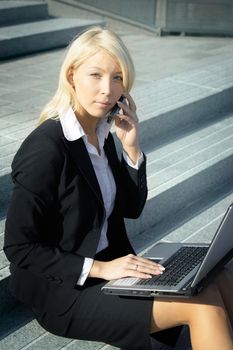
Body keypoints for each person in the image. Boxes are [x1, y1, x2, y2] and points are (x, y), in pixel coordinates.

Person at [4, 26, 233, 350]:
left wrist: (132, 148)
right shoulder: (46, 148)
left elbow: (131, 208)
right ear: (71, 76)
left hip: (114, 268)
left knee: (217, 277)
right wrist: (101, 267)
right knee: (204, 303)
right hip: (66, 292)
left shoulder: (102, 134)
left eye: (117, 78)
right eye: (95, 75)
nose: (107, 90)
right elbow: (18, 247)